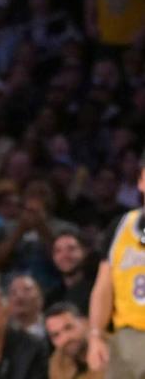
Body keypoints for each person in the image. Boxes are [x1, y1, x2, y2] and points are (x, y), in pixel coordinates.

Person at [87, 149, 145, 377]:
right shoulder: (121, 226)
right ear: (141, 182)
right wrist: (95, 335)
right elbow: (103, 287)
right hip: (126, 340)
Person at [44, 231, 97, 316]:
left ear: (84, 252)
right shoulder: (51, 298)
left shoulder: (97, 288)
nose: (65, 255)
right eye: (58, 251)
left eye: (71, 249)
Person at [45, 302, 101, 379]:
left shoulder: (113, 348)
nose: (65, 338)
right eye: (56, 335)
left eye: (69, 328)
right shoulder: (57, 362)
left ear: (85, 323)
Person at [7, 275, 45, 339]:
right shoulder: (4, 335)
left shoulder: (53, 325)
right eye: (13, 292)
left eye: (26, 290)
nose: (19, 296)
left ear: (40, 298)